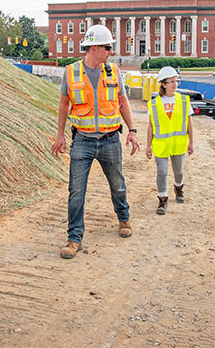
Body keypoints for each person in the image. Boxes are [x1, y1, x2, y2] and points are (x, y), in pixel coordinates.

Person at [51, 24, 140, 259]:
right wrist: (60, 135)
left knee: (118, 184)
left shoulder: (113, 71)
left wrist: (132, 130)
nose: (111, 52)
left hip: (111, 140)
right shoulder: (71, 72)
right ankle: (74, 238)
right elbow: (63, 105)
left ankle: (123, 218)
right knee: (76, 191)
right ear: (94, 48)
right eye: (107, 48)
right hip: (82, 141)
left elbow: (123, 102)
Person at [145, 67, 194, 214]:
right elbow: (151, 126)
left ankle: (178, 188)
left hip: (178, 144)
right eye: (171, 81)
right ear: (164, 84)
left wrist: (191, 142)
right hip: (160, 144)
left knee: (178, 171)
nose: (175, 84)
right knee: (162, 172)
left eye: (175, 81)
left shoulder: (184, 100)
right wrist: (148, 146)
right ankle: (162, 199)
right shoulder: (154, 103)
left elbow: (189, 123)